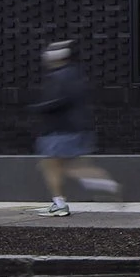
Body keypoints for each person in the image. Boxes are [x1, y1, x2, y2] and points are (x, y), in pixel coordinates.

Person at [30, 41, 119, 217]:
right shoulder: (75, 74)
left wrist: (37, 108)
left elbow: (57, 101)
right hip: (76, 128)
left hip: (59, 130)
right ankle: (101, 185)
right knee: (64, 165)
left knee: (56, 166)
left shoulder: (58, 77)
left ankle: (66, 201)